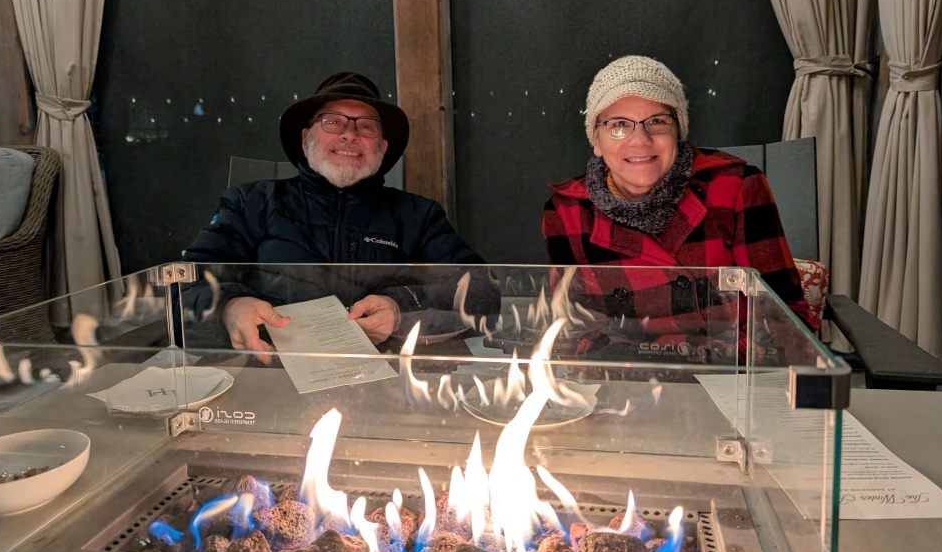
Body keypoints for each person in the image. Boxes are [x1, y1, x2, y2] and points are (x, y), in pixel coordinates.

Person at [184, 72, 489, 363]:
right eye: (332, 121)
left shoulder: (419, 215)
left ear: (382, 147)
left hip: (394, 381)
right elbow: (184, 284)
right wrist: (229, 307)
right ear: (306, 139)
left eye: (367, 126)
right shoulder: (249, 203)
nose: (350, 134)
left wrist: (401, 307)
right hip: (270, 373)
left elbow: (482, 291)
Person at [542, 55, 813, 361]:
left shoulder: (737, 187)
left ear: (678, 131)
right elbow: (572, 332)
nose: (640, 141)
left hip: (730, 376)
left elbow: (785, 321)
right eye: (618, 125)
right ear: (596, 139)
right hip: (625, 380)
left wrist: (696, 354)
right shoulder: (567, 211)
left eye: (657, 121)